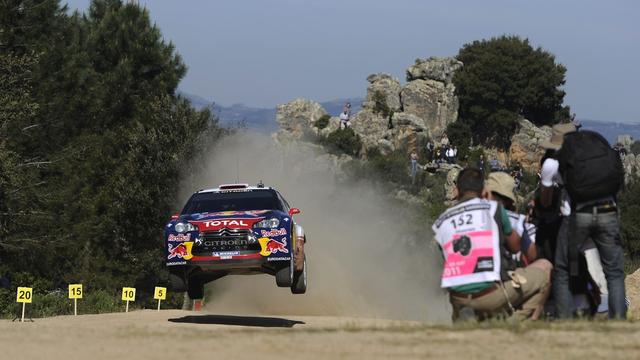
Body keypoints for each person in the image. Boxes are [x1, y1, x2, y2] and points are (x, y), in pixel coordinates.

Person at [432, 168, 552, 321]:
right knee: (544, 272)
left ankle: (467, 315)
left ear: (456, 190)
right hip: (490, 293)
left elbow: (447, 258)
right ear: (483, 191)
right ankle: (513, 324)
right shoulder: (494, 210)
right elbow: (517, 247)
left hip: (456, 297)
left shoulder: (443, 220)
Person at [540, 124, 626, 319]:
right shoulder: (595, 151)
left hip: (578, 215)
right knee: (614, 272)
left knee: (563, 269)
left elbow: (545, 200)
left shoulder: (553, 162)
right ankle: (619, 319)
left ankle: (566, 319)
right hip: (608, 212)